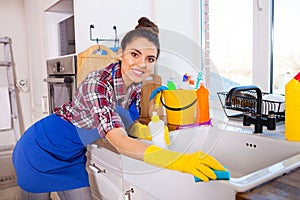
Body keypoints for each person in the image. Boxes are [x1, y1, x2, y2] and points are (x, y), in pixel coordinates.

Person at [12, 17, 225, 200]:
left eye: (149, 58)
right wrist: (180, 160)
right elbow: (120, 142)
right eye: (135, 54)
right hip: (39, 151)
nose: (142, 64)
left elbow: (124, 122)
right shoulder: (97, 83)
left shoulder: (135, 85)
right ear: (121, 53)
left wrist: (145, 130)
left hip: (72, 158)